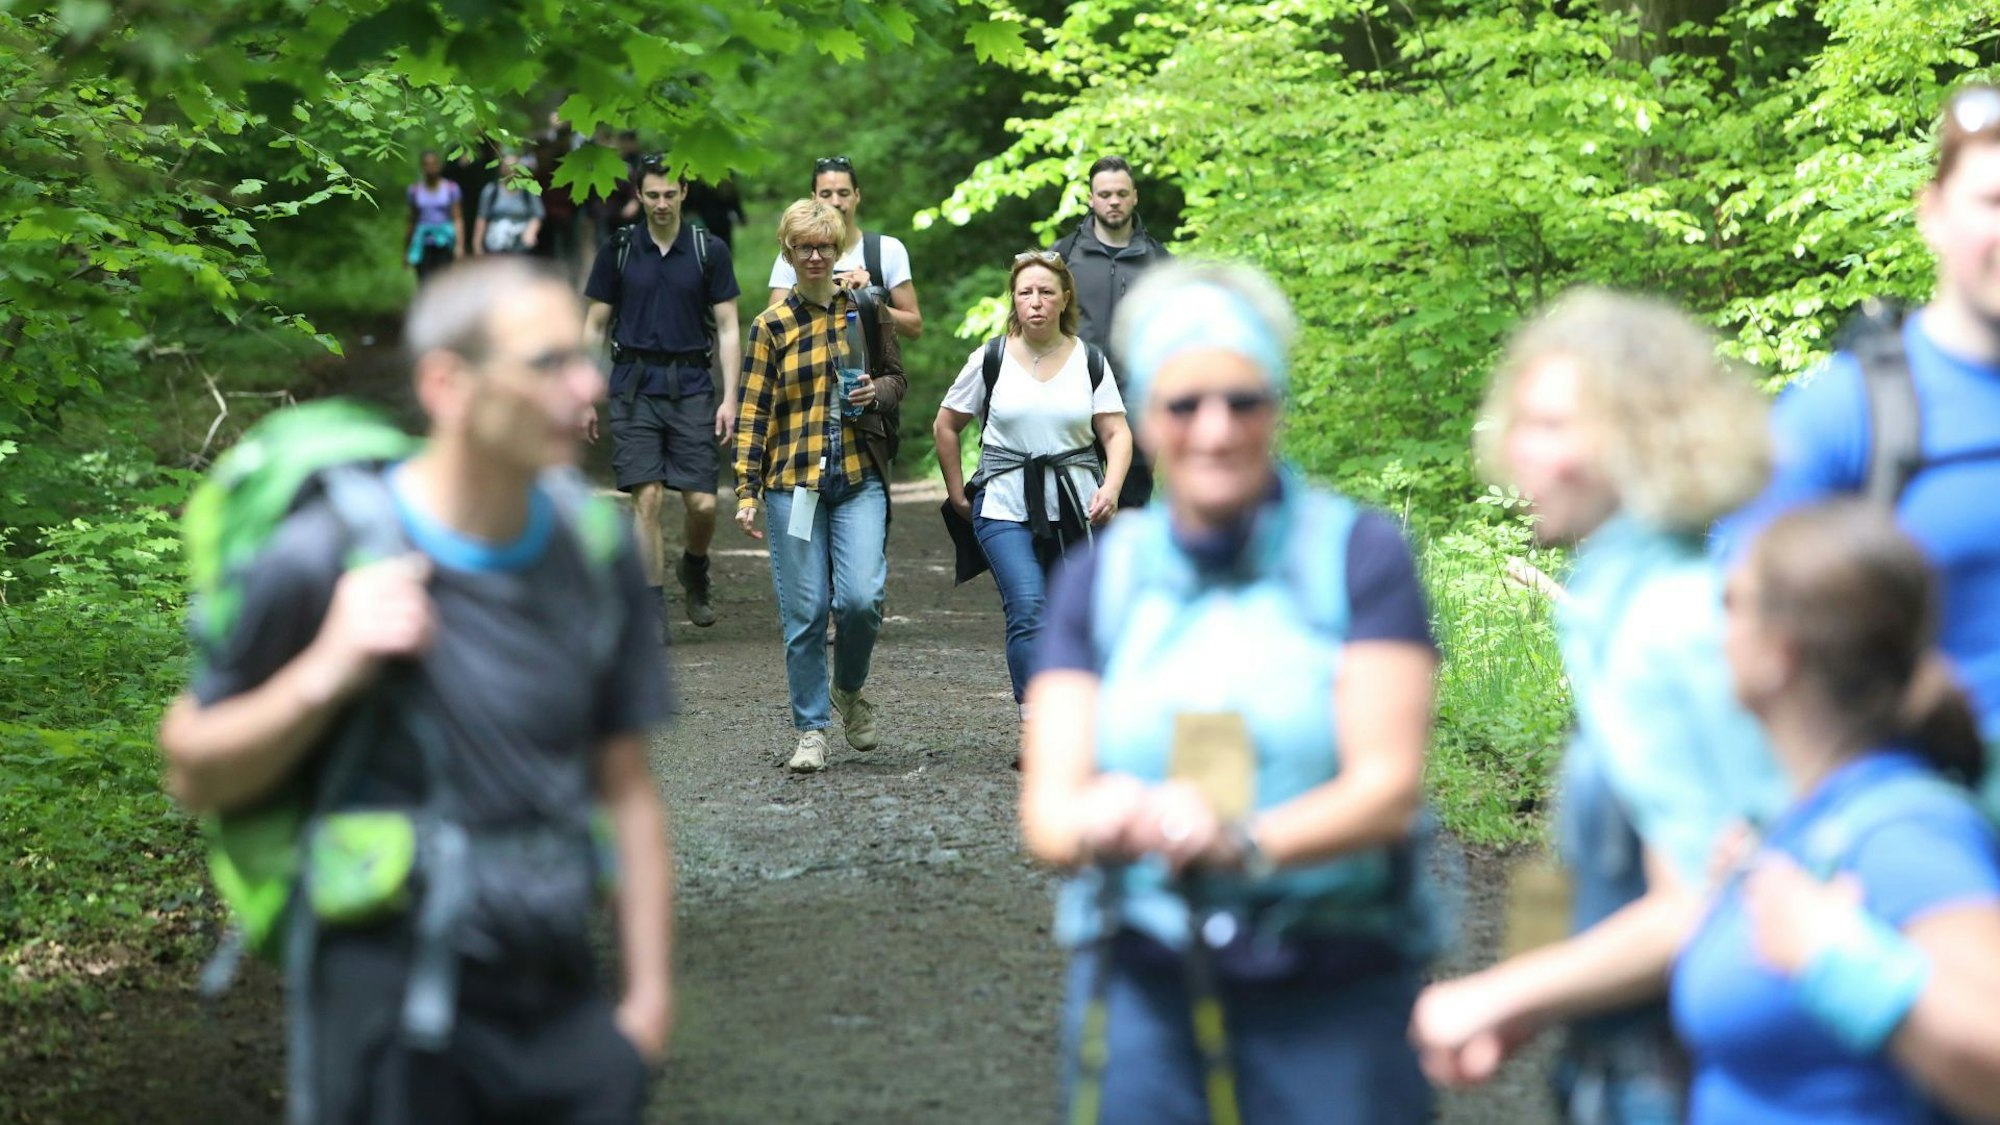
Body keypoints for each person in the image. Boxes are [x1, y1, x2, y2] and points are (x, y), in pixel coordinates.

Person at [157, 257, 676, 1123]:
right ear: (447, 383)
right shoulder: (326, 553)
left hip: (561, 1005)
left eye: (583, 359)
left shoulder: (593, 550)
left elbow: (626, 788)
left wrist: (647, 1011)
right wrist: (331, 663)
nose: (585, 383)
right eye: (546, 363)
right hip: (387, 1016)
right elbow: (193, 769)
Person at [1020, 261, 1442, 1122]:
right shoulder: (1100, 582)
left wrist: (1238, 843)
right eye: (1184, 405)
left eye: (1243, 401)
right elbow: (1049, 811)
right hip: (1143, 986)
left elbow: (1388, 787)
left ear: (1276, 407)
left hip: (1334, 982)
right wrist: (1107, 818)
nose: (1215, 430)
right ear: (1147, 418)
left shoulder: (1360, 556)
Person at [1411, 290, 1787, 1125]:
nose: (1517, 451)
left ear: (1641, 439)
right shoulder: (1625, 603)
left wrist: (1499, 994)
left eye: (1552, 426)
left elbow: (1706, 898)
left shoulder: (1668, 624)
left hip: (1693, 1078)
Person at [1716, 84, 2000, 801]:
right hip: (1918, 806)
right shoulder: (1849, 413)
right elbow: (1738, 601)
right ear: (1932, 215)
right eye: (1993, 203)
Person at [1672, 501, 2000, 1122]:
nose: (1716, 629)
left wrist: (1835, 957)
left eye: (1732, 603)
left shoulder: (1906, 832)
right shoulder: (1813, 822)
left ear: (1781, 653)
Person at [735, 200, 906, 773]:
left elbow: (895, 378)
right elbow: (753, 413)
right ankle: (810, 730)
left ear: (837, 252)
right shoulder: (770, 327)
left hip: (858, 476)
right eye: (804, 247)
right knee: (805, 612)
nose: (815, 256)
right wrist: (745, 489)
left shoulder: (865, 309)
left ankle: (849, 688)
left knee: (860, 600)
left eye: (824, 247)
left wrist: (874, 394)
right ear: (787, 253)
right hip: (793, 485)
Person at [933, 251, 1131, 712]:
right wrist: (957, 490)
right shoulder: (992, 358)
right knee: (1028, 608)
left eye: (1046, 292)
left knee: (1075, 615)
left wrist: (1113, 488)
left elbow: (1117, 432)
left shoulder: (1090, 361)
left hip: (1076, 507)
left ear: (1064, 299)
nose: (1036, 302)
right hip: (1002, 504)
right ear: (1015, 301)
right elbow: (946, 425)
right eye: (1026, 293)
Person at [584, 155, 742, 631]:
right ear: (639, 194)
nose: (661, 203)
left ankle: (694, 567)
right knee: (646, 498)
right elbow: (593, 326)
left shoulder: (707, 249)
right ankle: (651, 610)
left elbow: (730, 326)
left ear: (684, 194)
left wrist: (729, 397)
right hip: (633, 386)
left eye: (669, 194)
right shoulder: (619, 249)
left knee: (703, 503)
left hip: (692, 384)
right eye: (652, 194)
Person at [1054, 156, 1173, 509]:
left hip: (1138, 403)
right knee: (1071, 510)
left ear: (1135, 196)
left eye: (1121, 193)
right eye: (1104, 194)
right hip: (1074, 398)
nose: (1114, 201)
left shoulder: (1160, 262)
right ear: (1091, 199)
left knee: (1133, 506)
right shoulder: (1062, 256)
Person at [766, 156, 923, 339]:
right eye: (826, 194)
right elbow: (773, 327)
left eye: (843, 193)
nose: (835, 202)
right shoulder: (797, 253)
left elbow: (914, 328)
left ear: (857, 195)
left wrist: (865, 301)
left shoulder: (887, 250)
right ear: (814, 198)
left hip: (871, 367)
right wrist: (828, 291)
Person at [405, 150, 465, 283]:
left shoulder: (451, 188)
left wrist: (459, 246)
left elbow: (457, 218)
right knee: (424, 282)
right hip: (423, 242)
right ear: (422, 167)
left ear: (438, 165)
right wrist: (407, 249)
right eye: (426, 164)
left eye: (433, 164)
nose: (430, 168)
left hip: (444, 242)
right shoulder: (415, 190)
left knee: (442, 282)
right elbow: (411, 220)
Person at [472, 152, 546, 257]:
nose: (511, 171)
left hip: (521, 242)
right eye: (507, 167)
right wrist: (477, 244)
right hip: (495, 241)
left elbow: (538, 214)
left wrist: (531, 232)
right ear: (502, 169)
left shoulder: (528, 190)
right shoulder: (491, 190)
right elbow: (482, 217)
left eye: (514, 167)